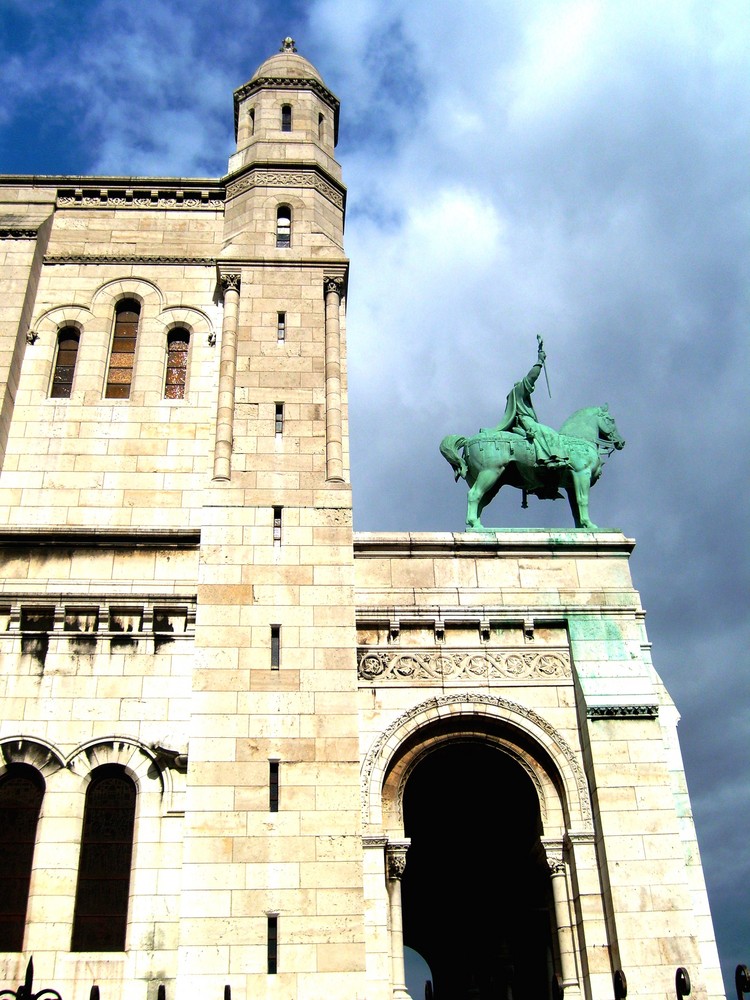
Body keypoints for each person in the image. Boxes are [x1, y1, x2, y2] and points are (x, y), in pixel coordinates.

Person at [495, 347, 568, 469]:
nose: (530, 389)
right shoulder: (518, 391)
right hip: (525, 421)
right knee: (548, 433)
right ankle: (552, 459)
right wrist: (539, 361)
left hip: (523, 422)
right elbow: (531, 377)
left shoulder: (520, 397)